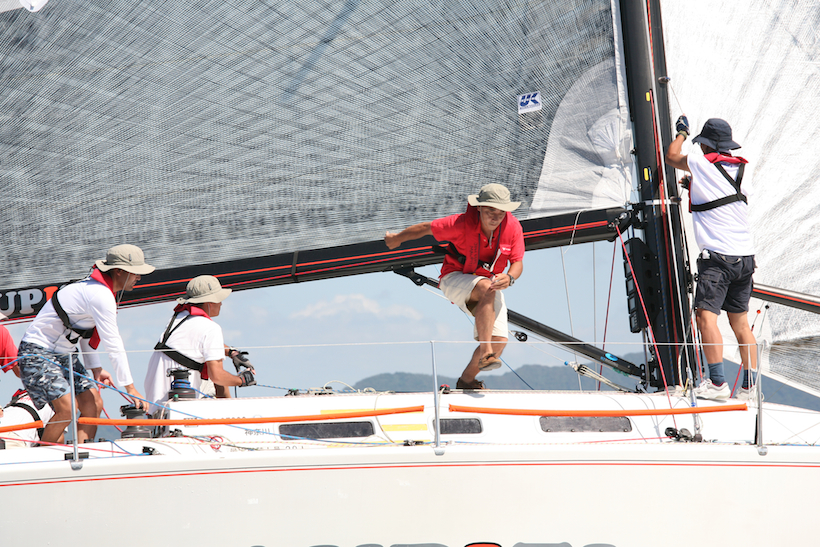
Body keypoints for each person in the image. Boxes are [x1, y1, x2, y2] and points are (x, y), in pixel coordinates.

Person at [385, 183, 524, 389]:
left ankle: (466, 381)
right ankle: (486, 352)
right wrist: (396, 239)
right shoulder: (459, 224)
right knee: (486, 287)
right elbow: (425, 228)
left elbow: (517, 262)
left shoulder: (513, 227)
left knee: (500, 341)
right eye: (490, 211)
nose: (495, 217)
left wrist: (510, 278)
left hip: (488, 284)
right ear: (479, 208)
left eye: (501, 212)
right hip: (455, 278)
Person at [17, 244, 154, 444]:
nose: (139, 277)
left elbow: (86, 334)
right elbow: (113, 343)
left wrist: (96, 368)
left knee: (94, 403)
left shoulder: (100, 291)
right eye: (135, 272)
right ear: (119, 271)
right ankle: (43, 454)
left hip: (63, 354)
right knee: (67, 409)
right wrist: (130, 388)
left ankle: (82, 452)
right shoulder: (100, 295)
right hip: (36, 353)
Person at [666, 117, 757, 401]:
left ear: (705, 144)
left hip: (718, 259)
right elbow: (725, 196)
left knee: (705, 317)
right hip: (745, 258)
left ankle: (717, 384)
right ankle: (750, 388)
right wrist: (694, 184)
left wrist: (682, 134)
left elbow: (671, 157)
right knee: (740, 324)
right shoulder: (742, 169)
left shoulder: (701, 163)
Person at [144, 275, 256, 414]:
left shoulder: (176, 319)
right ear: (209, 302)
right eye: (219, 299)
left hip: (153, 408)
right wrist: (242, 380)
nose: (221, 304)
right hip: (177, 411)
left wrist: (232, 352)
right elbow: (217, 376)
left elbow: (196, 342)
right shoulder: (211, 328)